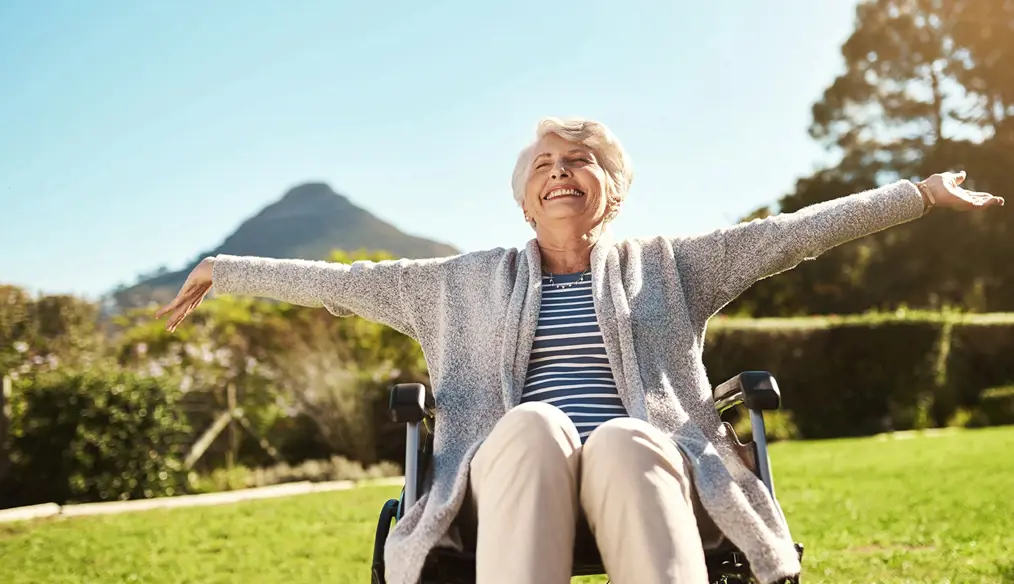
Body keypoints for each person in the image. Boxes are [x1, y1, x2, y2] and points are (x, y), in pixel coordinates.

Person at [156, 117, 1003, 584]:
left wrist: (919, 195)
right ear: (526, 199)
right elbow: (339, 283)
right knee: (528, 428)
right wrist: (226, 269)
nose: (563, 170)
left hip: (647, 470)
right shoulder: (455, 282)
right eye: (546, 164)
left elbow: (790, 236)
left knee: (636, 437)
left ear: (613, 190)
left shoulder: (672, 267)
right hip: (506, 480)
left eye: (582, 161)